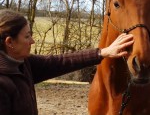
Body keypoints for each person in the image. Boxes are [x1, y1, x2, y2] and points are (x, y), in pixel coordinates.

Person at [0, 9, 134, 115]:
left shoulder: (24, 63)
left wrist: (103, 52)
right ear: (10, 42)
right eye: (27, 36)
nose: (32, 41)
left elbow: (61, 62)